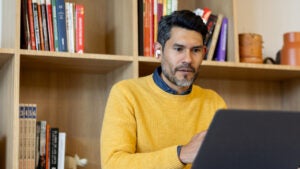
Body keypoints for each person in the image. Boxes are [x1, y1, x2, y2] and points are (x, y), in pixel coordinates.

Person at [100, 10, 227, 169]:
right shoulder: (126, 94)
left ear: (204, 53)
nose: (187, 59)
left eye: (195, 50)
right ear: (158, 51)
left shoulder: (214, 102)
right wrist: (181, 154)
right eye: (178, 49)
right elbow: (113, 164)